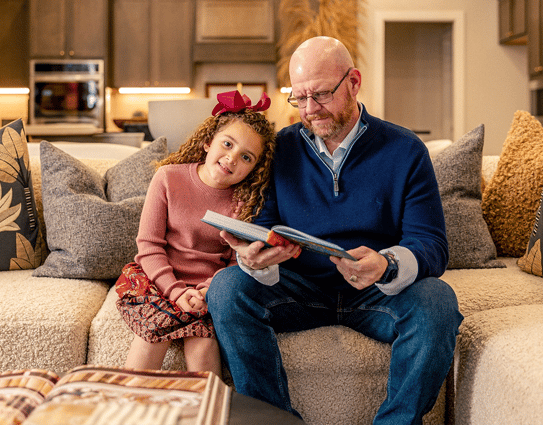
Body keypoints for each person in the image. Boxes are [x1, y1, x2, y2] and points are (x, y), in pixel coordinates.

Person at [206, 36, 463, 424]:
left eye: (322, 94)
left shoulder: (406, 150)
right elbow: (263, 224)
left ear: (354, 82)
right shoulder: (279, 148)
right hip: (297, 289)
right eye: (299, 97)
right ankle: (274, 420)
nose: (310, 109)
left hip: (376, 293)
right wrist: (257, 258)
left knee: (438, 301)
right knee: (227, 288)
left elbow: (431, 244)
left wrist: (387, 264)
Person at [115, 90, 277, 378]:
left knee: (203, 348)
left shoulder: (245, 200)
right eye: (227, 144)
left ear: (254, 168)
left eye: (246, 157)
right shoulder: (167, 178)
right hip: (158, 279)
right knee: (152, 336)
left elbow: (232, 261)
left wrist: (206, 290)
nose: (231, 158)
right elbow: (148, 246)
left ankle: (207, 415)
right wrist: (176, 292)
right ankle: (129, 408)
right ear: (207, 142)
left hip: (208, 288)